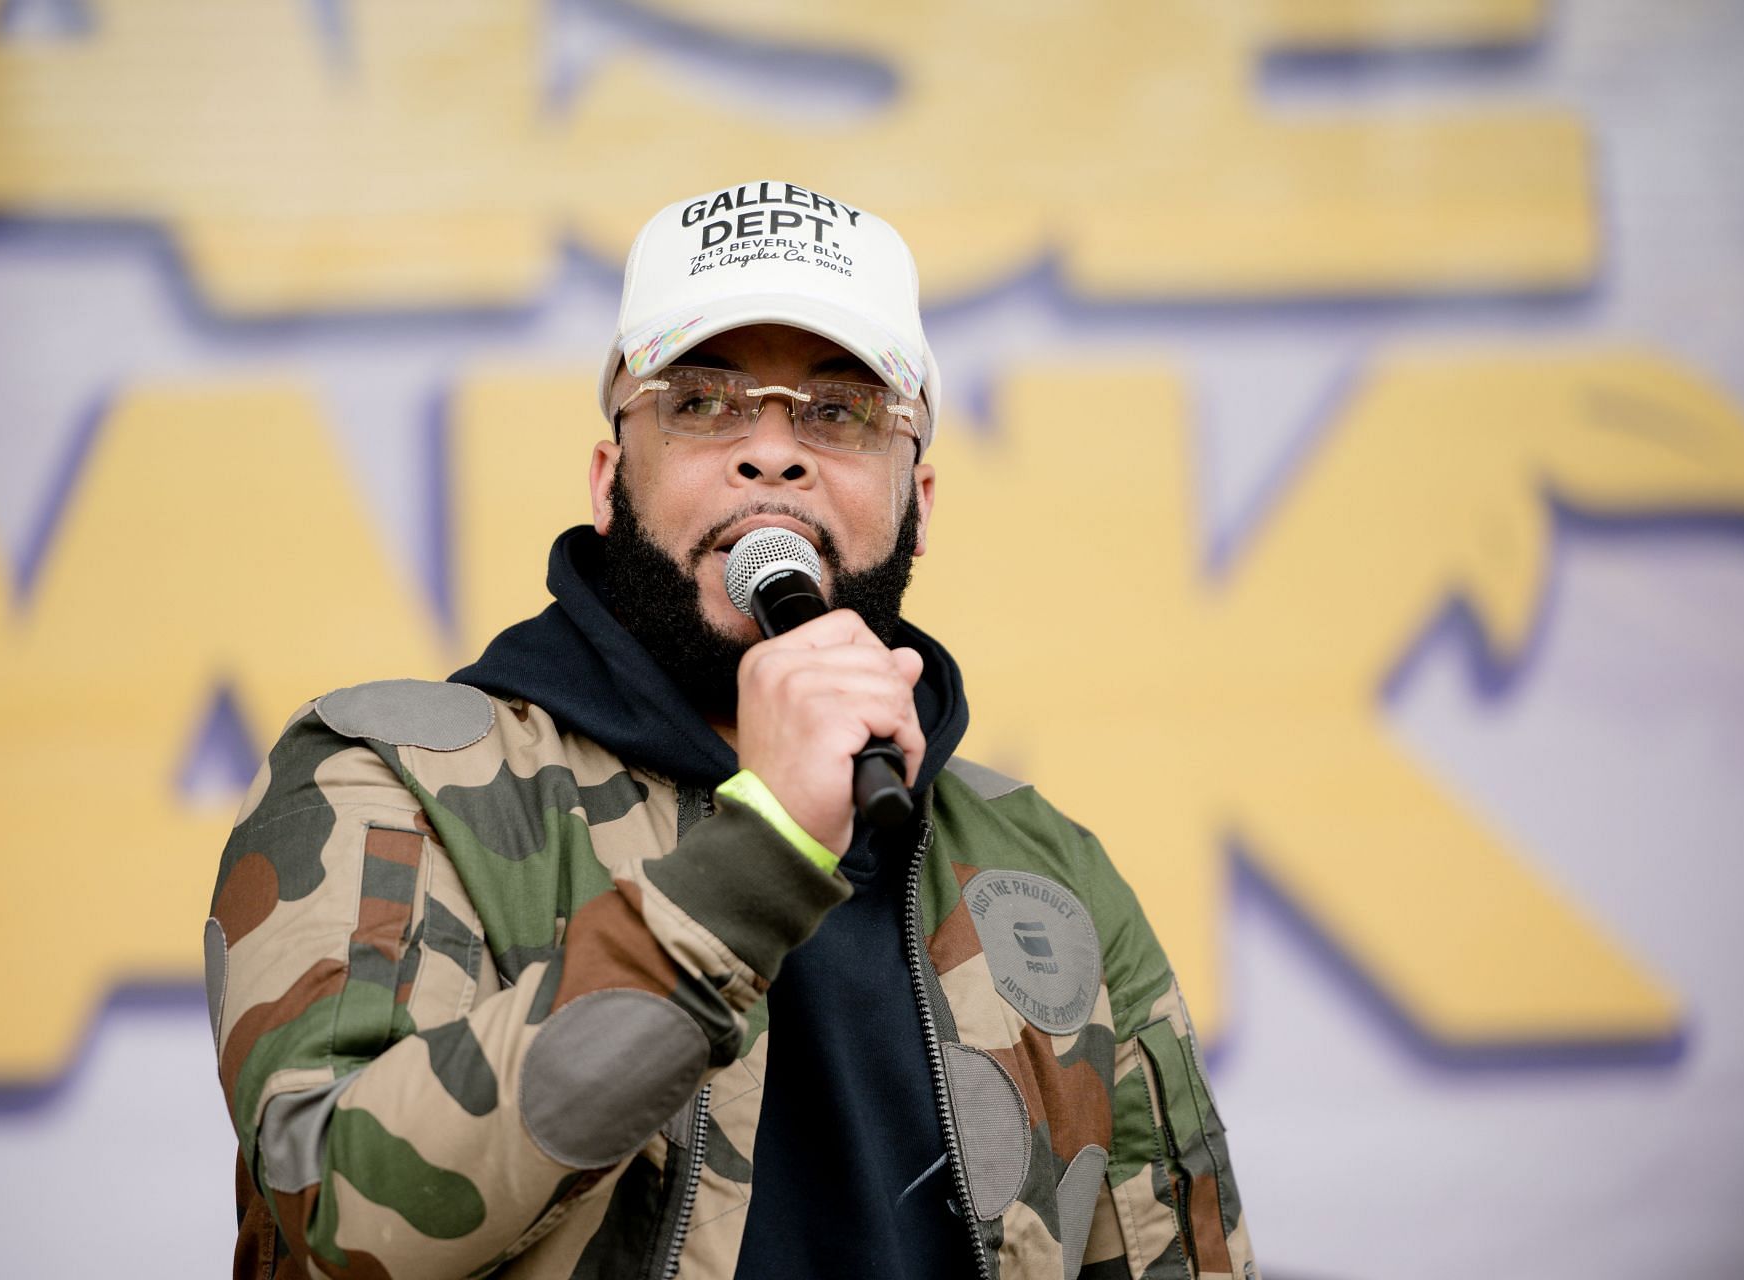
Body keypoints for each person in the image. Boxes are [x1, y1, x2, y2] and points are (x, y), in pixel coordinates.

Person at [207, 179, 1253, 1280]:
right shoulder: (394, 784)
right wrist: (759, 856)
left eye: (838, 411)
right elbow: (338, 1221)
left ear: (922, 502)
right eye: (703, 403)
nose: (770, 452)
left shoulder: (1045, 870)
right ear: (612, 481)